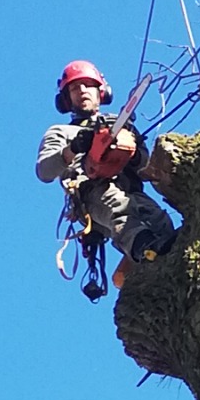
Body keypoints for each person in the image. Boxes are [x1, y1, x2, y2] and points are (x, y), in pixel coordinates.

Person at [36, 61, 175, 291]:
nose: (82, 91)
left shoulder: (117, 124)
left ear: (101, 91)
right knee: (120, 211)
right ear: (65, 99)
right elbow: (44, 170)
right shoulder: (61, 132)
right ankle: (147, 251)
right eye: (74, 88)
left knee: (159, 220)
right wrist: (73, 148)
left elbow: (144, 162)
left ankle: (146, 269)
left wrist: (129, 149)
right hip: (91, 192)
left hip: (130, 189)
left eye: (88, 85)